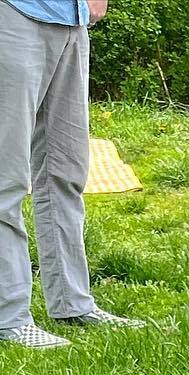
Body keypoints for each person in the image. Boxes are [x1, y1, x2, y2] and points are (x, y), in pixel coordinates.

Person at [0, 0, 142, 349]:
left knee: (65, 170)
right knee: (7, 178)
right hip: (14, 14)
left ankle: (72, 303)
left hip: (72, 21)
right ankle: (10, 317)